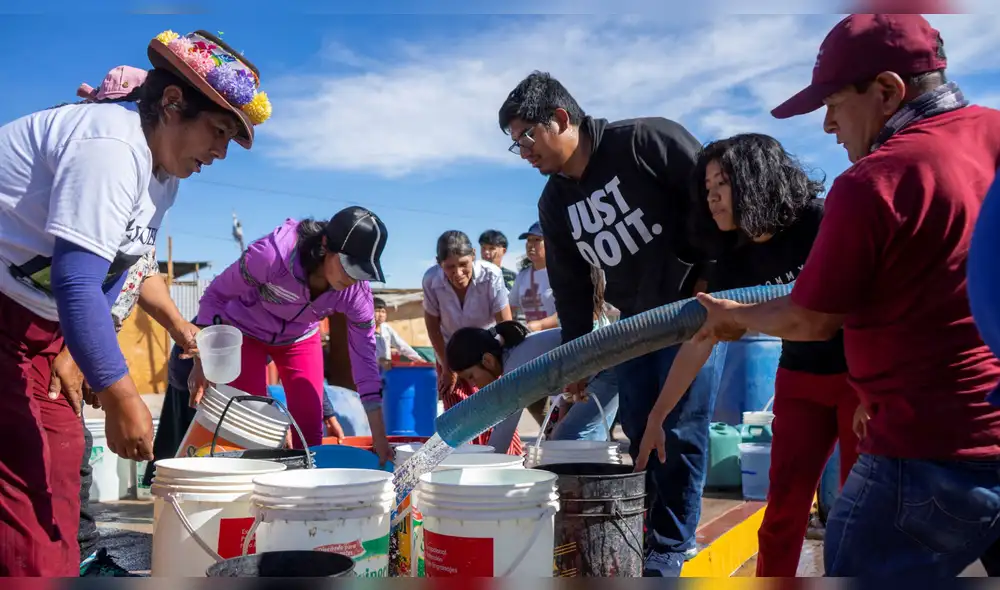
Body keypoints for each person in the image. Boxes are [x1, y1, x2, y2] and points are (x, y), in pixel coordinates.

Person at [694, 14, 1000, 577]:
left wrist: (738, 318)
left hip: (926, 448)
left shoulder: (872, 181)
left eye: (834, 103)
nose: (830, 125)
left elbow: (812, 318)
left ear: (887, 91)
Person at [0, 29, 269, 577]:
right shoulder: (111, 146)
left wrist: (82, 350)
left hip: (36, 325)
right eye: (217, 132)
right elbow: (76, 281)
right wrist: (122, 394)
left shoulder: (162, 175)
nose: (220, 152)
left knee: (60, 455)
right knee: (30, 475)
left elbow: (123, 269)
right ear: (172, 104)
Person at [498, 71, 714, 576]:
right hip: (633, 327)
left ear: (561, 118)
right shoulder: (554, 202)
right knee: (639, 430)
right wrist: (577, 358)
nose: (524, 152)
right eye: (515, 145)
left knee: (681, 428)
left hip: (695, 312)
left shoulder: (645, 141)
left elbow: (711, 200)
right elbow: (572, 288)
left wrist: (714, 282)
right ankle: (647, 530)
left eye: (527, 136)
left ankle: (673, 544)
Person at [633, 133, 858, 577]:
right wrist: (659, 416)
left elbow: (844, 310)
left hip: (858, 379)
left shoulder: (820, 221)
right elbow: (701, 338)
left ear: (756, 178)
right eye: (707, 188)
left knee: (854, 512)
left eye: (723, 183)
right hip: (799, 382)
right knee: (781, 512)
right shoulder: (733, 262)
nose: (712, 196)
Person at [189, 207, 392, 462]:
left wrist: (380, 440)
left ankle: (307, 494)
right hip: (246, 331)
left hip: (299, 338)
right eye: (349, 265)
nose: (353, 278)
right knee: (254, 421)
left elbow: (365, 364)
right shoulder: (273, 256)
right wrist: (203, 360)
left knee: (309, 425)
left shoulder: (356, 294)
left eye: (363, 271)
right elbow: (214, 296)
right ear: (325, 245)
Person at [448, 266, 620, 451]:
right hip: (594, 374)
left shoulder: (514, 372)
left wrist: (483, 470)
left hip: (608, 371)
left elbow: (502, 436)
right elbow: (566, 379)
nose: (473, 385)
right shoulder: (515, 357)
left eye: (471, 376)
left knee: (571, 441)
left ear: (488, 360)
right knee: (559, 442)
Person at [422, 230, 517, 452]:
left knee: (498, 405)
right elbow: (433, 328)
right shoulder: (431, 280)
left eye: (463, 264)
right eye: (449, 267)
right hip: (450, 354)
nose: (458, 273)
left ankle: (508, 457)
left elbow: (506, 323)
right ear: (439, 264)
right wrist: (447, 367)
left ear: (474, 255)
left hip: (486, 352)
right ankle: (466, 460)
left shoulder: (492, 275)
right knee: (459, 412)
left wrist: (505, 364)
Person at [510, 222, 558, 333]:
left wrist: (541, 325)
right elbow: (510, 308)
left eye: (537, 240)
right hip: (534, 340)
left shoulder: (562, 272)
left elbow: (571, 310)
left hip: (561, 339)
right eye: (529, 240)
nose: (531, 244)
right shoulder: (522, 276)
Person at [374, 296, 424, 369]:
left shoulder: (386, 328)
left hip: (385, 370)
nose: (381, 315)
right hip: (368, 371)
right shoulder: (363, 331)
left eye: (383, 312)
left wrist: (418, 359)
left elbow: (401, 345)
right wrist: (378, 360)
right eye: (377, 311)